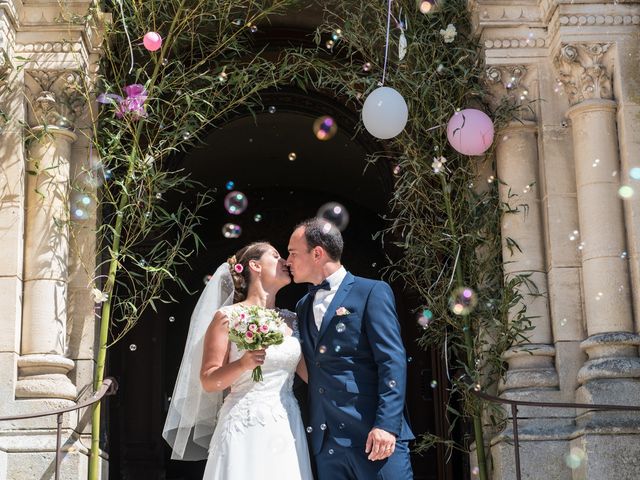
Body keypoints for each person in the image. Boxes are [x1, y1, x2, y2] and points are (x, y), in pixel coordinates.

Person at [162, 242, 314, 479]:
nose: (285, 261)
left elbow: (312, 376)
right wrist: (243, 364)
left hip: (285, 422)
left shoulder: (293, 320)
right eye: (276, 256)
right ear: (255, 265)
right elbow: (209, 380)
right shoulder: (227, 317)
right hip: (245, 423)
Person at [287, 218, 414, 480]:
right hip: (327, 444)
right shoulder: (301, 306)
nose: (287, 261)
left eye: (293, 253)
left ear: (317, 253)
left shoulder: (372, 292)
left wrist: (386, 426)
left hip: (373, 436)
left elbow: (392, 360)